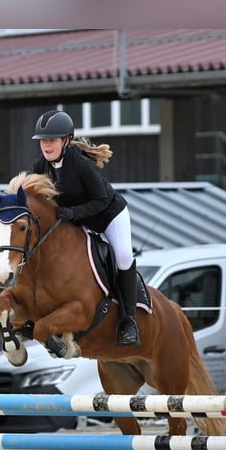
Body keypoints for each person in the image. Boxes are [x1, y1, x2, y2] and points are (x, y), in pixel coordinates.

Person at [30, 109, 140, 347]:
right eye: (43, 141)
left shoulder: (81, 165)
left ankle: (129, 321)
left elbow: (100, 201)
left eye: (51, 140)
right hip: (77, 221)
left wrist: (72, 213)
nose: (46, 146)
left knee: (122, 256)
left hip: (109, 215)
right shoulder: (40, 166)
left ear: (65, 141)